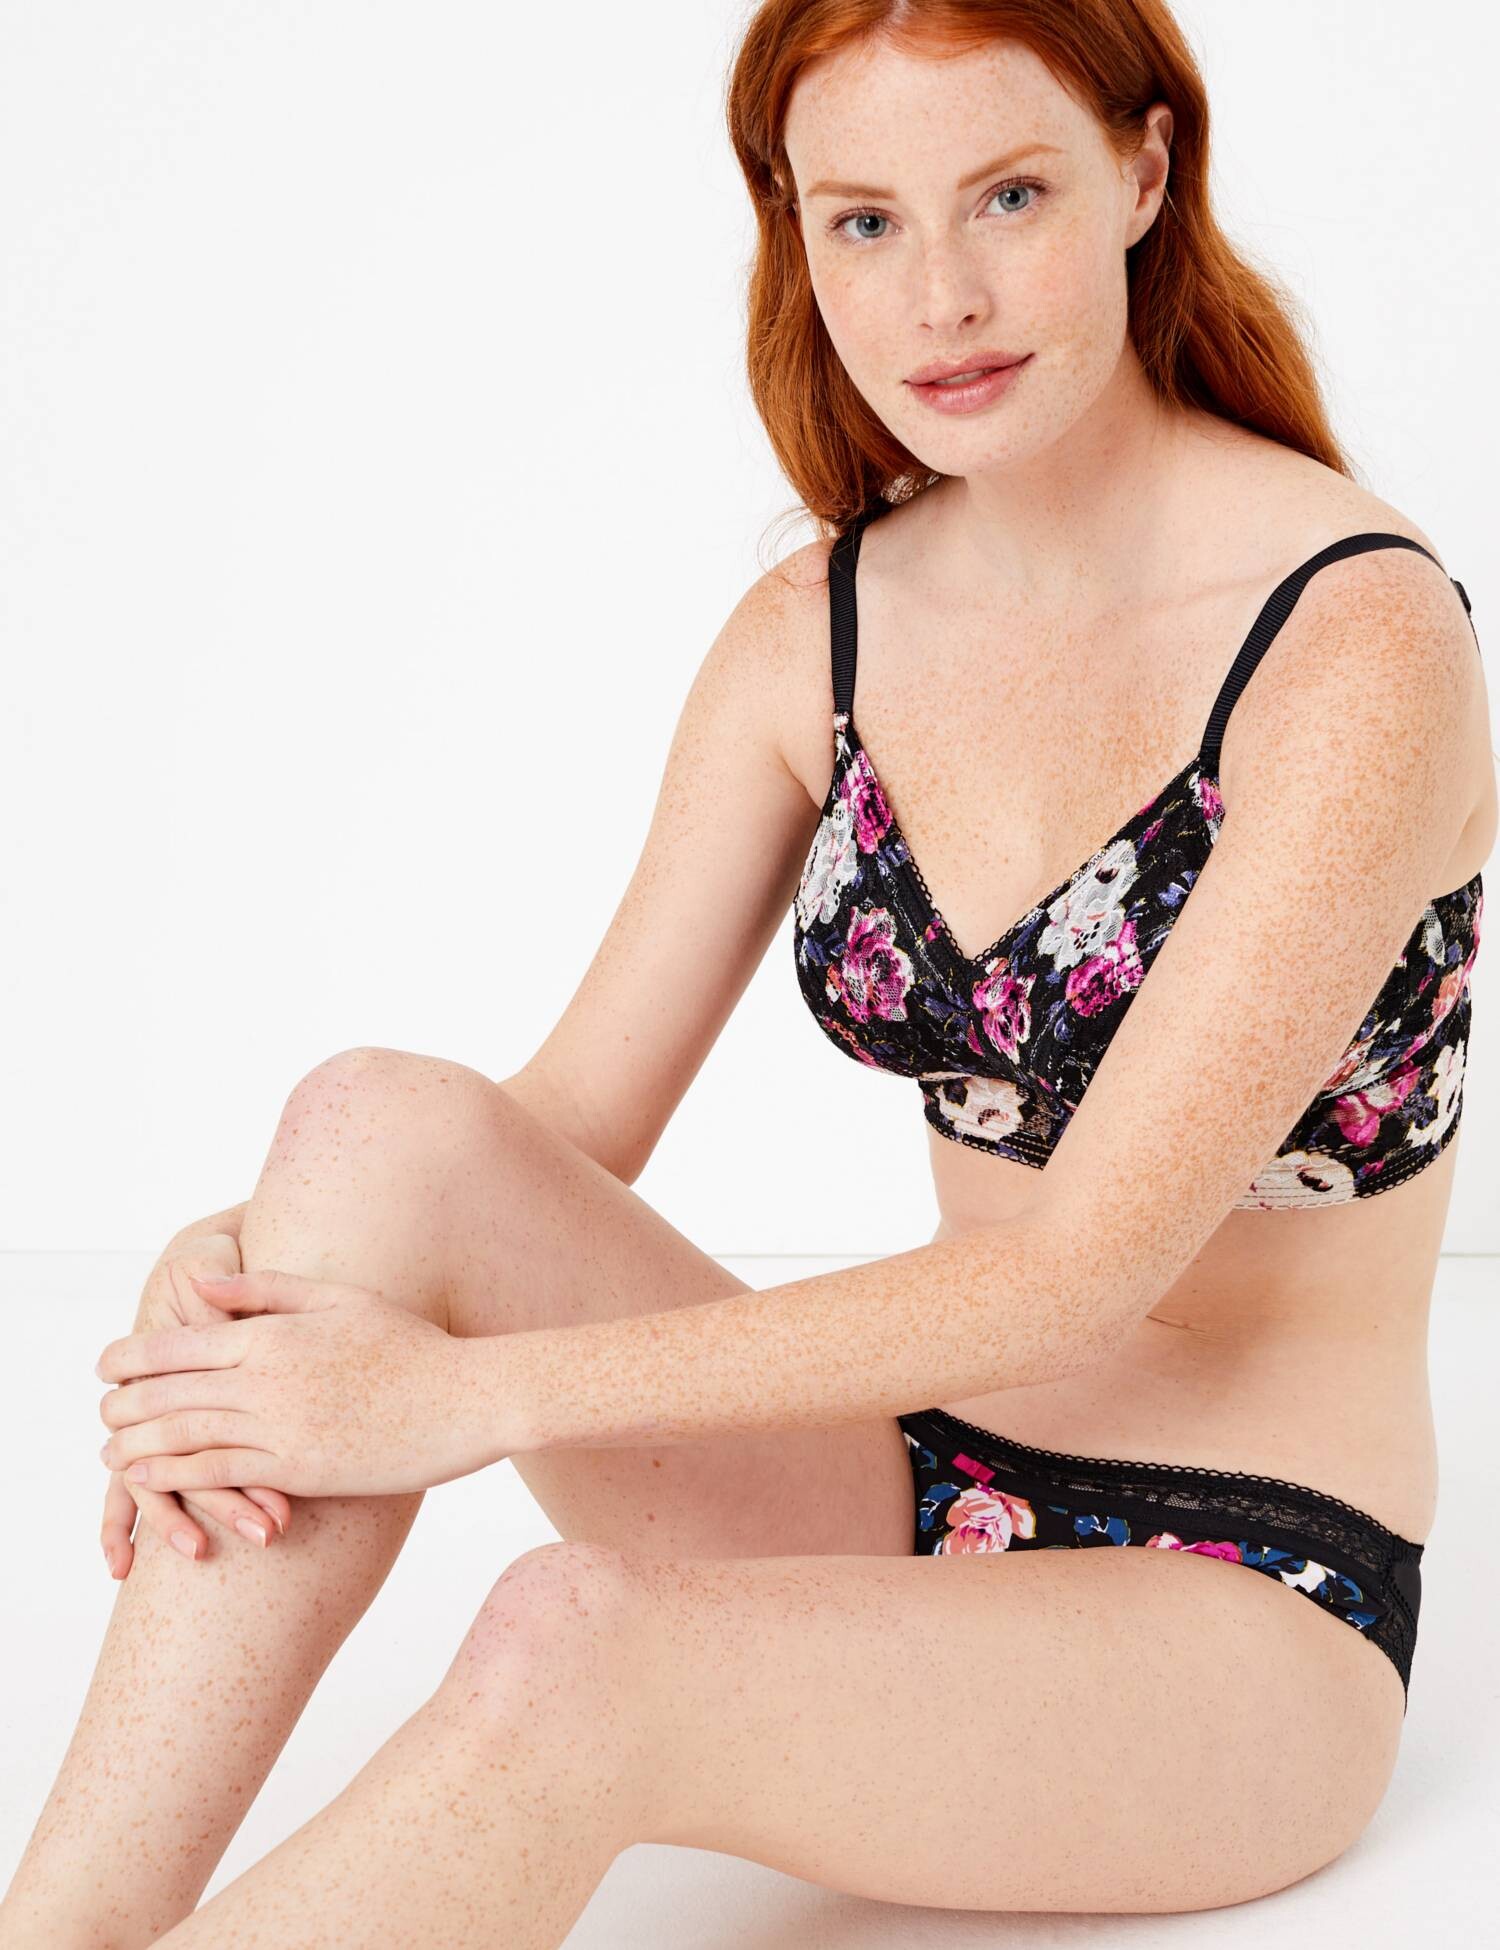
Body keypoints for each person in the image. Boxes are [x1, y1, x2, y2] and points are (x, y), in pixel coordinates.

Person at [4, 2, 1492, 1943]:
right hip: (893, 1481)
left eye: (1010, 196)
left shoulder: (1356, 642)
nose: (942, 296)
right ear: (796, 228)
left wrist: (447, 1399)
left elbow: (1074, 1275)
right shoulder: (818, 632)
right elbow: (554, 1133)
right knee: (369, 1128)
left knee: (572, 1644)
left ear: (1143, 171)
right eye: (865, 219)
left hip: (1244, 1597)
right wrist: (238, 1284)